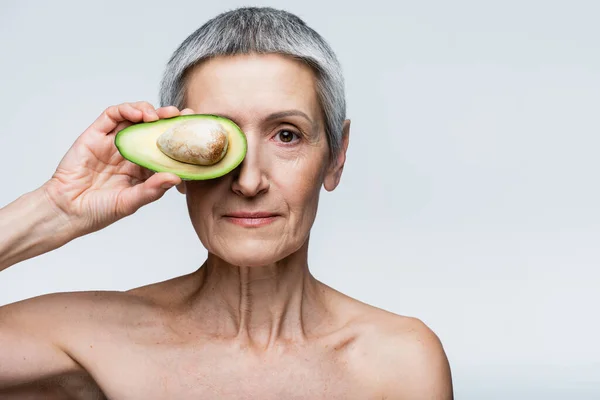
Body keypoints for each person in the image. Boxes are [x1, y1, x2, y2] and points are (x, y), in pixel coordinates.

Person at [0, 7, 453, 399]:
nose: (250, 180)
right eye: (213, 138)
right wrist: (54, 208)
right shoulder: (94, 343)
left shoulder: (402, 363)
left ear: (336, 157)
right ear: (171, 157)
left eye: (287, 135)